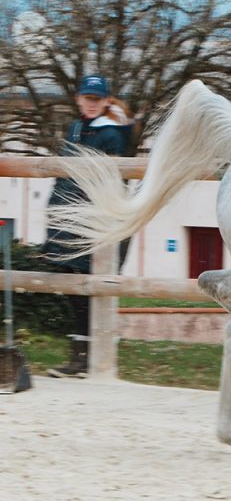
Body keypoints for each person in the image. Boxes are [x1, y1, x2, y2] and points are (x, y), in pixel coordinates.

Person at [43, 75, 130, 379]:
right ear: (79, 99)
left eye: (97, 99)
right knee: (73, 285)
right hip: (67, 217)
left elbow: (110, 178)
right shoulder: (76, 128)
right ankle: (81, 354)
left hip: (93, 219)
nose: (91, 104)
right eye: (87, 98)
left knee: (91, 284)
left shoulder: (113, 133)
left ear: (106, 100)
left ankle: (92, 355)